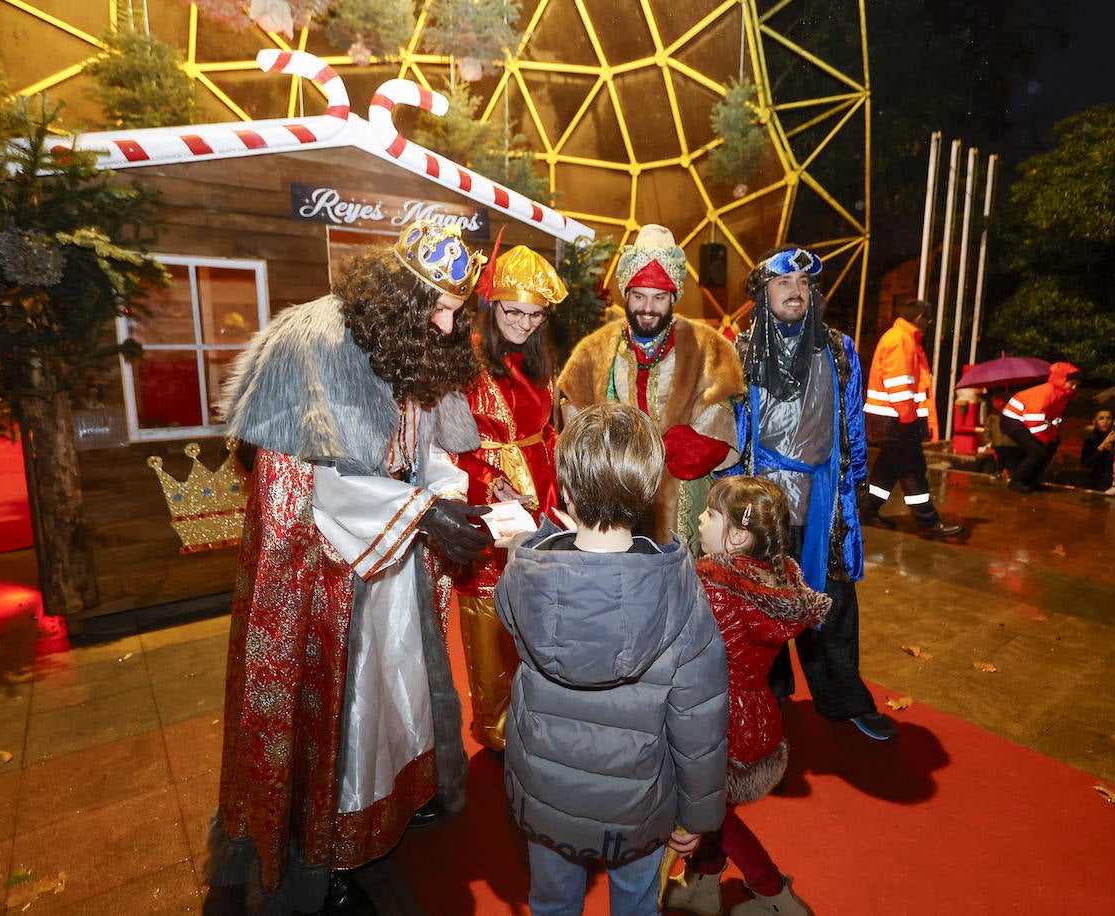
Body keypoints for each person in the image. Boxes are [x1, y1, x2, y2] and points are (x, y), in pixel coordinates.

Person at [206, 220, 494, 915]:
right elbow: (306, 487)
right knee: (337, 725)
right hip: (325, 579)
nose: (449, 324)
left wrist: (447, 494)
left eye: (459, 308)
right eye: (436, 303)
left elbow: (421, 448)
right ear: (396, 291)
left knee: (397, 700)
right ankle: (318, 856)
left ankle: (392, 807)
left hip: (390, 569)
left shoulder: (418, 343)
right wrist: (422, 515)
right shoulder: (315, 344)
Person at [497, 402, 729, 916]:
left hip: (547, 794)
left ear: (568, 492)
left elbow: (509, 602)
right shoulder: (681, 593)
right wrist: (697, 815)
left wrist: (537, 539)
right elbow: (700, 720)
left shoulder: (524, 576)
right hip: (638, 805)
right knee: (637, 903)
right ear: (648, 491)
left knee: (552, 903)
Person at [730, 245, 898, 742]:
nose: (796, 292)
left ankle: (844, 699)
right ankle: (771, 694)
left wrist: (857, 490)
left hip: (823, 496)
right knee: (763, 599)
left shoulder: (840, 350)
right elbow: (734, 429)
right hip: (761, 497)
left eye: (804, 285)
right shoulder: (741, 351)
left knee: (833, 602)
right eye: (785, 284)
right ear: (764, 293)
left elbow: (851, 427)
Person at [665, 476, 830, 916]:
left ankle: (773, 892)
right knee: (717, 806)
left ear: (737, 536)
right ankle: (703, 884)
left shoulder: (713, 583)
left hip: (715, 719)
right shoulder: (775, 580)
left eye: (710, 514)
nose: (700, 517)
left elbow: (695, 658)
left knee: (711, 812)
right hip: (755, 713)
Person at [558, 224, 745, 549]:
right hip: (612, 496)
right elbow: (575, 425)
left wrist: (654, 450)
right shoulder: (595, 350)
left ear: (674, 297)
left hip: (681, 500)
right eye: (639, 296)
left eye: (659, 298)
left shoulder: (707, 348)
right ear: (626, 296)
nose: (648, 308)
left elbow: (717, 436)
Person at [453, 244, 566, 754]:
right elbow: (447, 448)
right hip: (490, 506)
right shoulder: (467, 363)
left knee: (539, 611)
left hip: (541, 499)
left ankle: (537, 711)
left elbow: (546, 434)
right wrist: (490, 482)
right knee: (488, 609)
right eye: (512, 312)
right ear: (492, 307)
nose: (523, 323)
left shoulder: (541, 362)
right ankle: (495, 725)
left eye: (534, 315)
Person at [860, 299, 963, 537]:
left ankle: (867, 511)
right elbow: (899, 383)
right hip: (897, 419)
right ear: (919, 318)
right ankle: (928, 522)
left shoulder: (898, 338)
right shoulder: (902, 340)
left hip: (889, 419)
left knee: (887, 470)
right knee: (912, 469)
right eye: (927, 320)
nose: (928, 324)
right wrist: (908, 419)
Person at [1000, 361, 1082, 494]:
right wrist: (1045, 438)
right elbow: (1034, 419)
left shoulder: (1062, 395)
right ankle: (1016, 481)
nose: (1074, 387)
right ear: (1062, 380)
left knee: (1048, 448)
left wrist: (1052, 437)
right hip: (1013, 420)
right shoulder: (1047, 392)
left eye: (1076, 385)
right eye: (1071, 383)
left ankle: (1030, 481)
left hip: (1024, 421)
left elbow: (1052, 417)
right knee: (1038, 451)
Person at [1079, 408, 1115, 491]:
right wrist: (1101, 447)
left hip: (1113, 480)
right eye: (1101, 418)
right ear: (1094, 421)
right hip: (1095, 480)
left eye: (1108, 418)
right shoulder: (1091, 439)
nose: (1105, 421)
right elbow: (1086, 463)